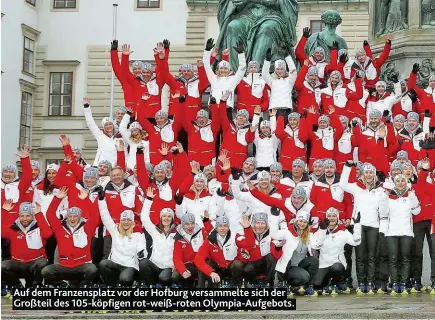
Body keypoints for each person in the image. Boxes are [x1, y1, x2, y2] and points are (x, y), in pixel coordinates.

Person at [339, 161, 389, 294]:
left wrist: (383, 228)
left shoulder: (380, 189)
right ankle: (361, 282)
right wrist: (347, 167)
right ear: (362, 174)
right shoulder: (356, 186)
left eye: (371, 172)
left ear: (374, 174)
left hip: (373, 226)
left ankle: (370, 282)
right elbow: (343, 184)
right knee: (360, 256)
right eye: (366, 172)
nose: (368, 175)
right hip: (359, 225)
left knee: (372, 256)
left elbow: (383, 211)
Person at [41, 187, 99, 286]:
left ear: (80, 217)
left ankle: (80, 286)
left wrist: (86, 199)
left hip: (82, 265)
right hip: (64, 266)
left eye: (75, 216)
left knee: (92, 269)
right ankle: (62, 285)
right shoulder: (59, 229)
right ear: (67, 218)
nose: (72, 218)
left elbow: (95, 216)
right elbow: (50, 214)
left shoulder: (87, 228)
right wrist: (57, 198)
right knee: (46, 271)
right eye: (70, 216)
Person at [381, 174, 421, 295]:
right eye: (398, 181)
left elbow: (417, 211)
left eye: (403, 181)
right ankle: (394, 283)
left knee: (405, 258)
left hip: (406, 232)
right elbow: (383, 213)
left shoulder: (409, 196)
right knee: (393, 259)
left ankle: (404, 283)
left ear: (406, 182)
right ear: (394, 182)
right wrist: (384, 199)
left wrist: (413, 197)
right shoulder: (389, 197)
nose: (400, 183)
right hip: (391, 232)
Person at [98, 194, 146, 287]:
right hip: (115, 264)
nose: (126, 222)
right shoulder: (115, 230)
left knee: (125, 279)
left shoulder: (138, 235)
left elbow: (142, 248)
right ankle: (111, 285)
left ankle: (131, 283)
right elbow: (105, 215)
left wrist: (142, 253)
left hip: (129, 265)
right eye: (123, 220)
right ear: (120, 221)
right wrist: (101, 199)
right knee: (103, 263)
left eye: (128, 220)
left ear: (132, 222)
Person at [1, 202, 52, 288]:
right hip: (18, 264)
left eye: (28, 216)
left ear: (32, 216)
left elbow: (48, 234)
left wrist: (39, 214)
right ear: (19, 216)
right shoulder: (13, 228)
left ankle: (36, 286)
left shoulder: (39, 227)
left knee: (43, 262)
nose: (25, 218)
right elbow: (1, 231)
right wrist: (4, 212)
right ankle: (17, 286)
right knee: (2, 266)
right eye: (22, 216)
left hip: (35, 264)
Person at [311, 208, 361, 294]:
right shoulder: (321, 229)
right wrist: (322, 231)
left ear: (337, 218)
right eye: (329, 216)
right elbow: (316, 246)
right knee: (316, 283)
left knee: (337, 268)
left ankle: (336, 282)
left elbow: (355, 242)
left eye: (334, 216)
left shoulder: (343, 231)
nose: (331, 218)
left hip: (337, 263)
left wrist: (357, 225)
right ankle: (327, 282)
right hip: (323, 264)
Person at [271, 212, 319, 296]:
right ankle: (287, 284)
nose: (302, 224)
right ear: (296, 221)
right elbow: (274, 235)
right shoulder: (288, 232)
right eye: (300, 221)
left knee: (314, 260)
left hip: (300, 265)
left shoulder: (309, 234)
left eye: (305, 222)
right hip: (288, 266)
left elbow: (318, 243)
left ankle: (307, 287)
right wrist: (274, 217)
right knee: (305, 276)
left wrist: (322, 229)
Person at [140, 188, 176, 286]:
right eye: (164, 216)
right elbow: (144, 217)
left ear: (172, 219)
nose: (166, 218)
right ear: (160, 218)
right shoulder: (155, 230)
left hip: (169, 267)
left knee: (163, 278)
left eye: (169, 216)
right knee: (143, 263)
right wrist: (148, 200)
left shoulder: (177, 232)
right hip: (155, 265)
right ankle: (150, 285)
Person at [194, 216, 244, 287]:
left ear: (228, 227)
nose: (223, 228)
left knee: (237, 264)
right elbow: (198, 259)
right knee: (206, 264)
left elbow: (248, 243)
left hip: (231, 267)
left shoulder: (234, 236)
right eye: (220, 226)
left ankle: (235, 285)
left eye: (225, 226)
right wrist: (210, 272)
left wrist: (247, 228)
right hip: (217, 269)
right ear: (216, 228)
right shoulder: (209, 240)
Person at [202, 38, 246, 110]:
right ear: (218, 69)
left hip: (226, 108)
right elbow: (206, 65)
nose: (223, 70)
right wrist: (207, 51)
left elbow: (242, 68)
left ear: (229, 71)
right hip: (213, 107)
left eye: (225, 69)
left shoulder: (233, 79)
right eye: (221, 68)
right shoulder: (213, 78)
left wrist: (241, 54)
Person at [172, 213, 213, 288]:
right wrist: (183, 270)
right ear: (183, 225)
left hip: (202, 263)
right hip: (189, 265)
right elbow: (177, 258)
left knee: (206, 266)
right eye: (187, 224)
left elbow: (212, 236)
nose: (190, 226)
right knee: (181, 273)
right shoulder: (179, 239)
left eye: (192, 223)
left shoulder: (201, 231)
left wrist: (206, 221)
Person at [237, 213, 277, 286]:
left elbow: (277, 253)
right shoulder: (247, 234)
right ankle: (254, 283)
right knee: (247, 269)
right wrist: (244, 254)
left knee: (271, 257)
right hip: (253, 263)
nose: (260, 226)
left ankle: (268, 283)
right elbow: (242, 252)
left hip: (266, 264)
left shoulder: (271, 235)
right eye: (257, 223)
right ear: (253, 224)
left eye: (263, 223)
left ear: (266, 225)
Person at [262, 47, 297, 118]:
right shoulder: (272, 81)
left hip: (286, 109)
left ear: (285, 69)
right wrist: (267, 60)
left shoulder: (289, 81)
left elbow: (293, 72)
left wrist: (287, 56)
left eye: (282, 69)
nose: (280, 71)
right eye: (277, 69)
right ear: (275, 70)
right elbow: (265, 74)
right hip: (274, 109)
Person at [83, 98, 118, 166]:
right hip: (100, 166)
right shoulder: (100, 135)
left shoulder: (118, 137)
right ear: (103, 127)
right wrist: (86, 107)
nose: (108, 126)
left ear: (113, 125)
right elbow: (90, 123)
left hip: (113, 168)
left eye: (110, 124)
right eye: (106, 125)